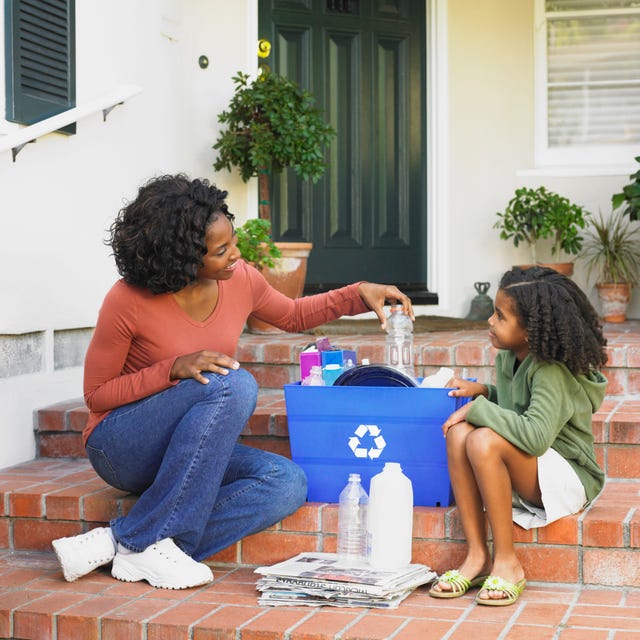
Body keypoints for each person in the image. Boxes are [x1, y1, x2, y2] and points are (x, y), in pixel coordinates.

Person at [52, 174, 414, 590]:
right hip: (121, 446)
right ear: (183, 259)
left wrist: (358, 293)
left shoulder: (239, 278)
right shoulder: (127, 300)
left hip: (187, 450)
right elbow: (97, 396)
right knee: (233, 383)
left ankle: (127, 542)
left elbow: (293, 315)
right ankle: (140, 543)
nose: (236, 255)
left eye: (234, 241)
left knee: (285, 483)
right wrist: (171, 369)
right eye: (221, 250)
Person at [429, 266, 607, 606]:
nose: (490, 322)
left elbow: (536, 435)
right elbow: (518, 406)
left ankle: (507, 562)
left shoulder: (550, 369)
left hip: (569, 476)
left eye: (500, 316)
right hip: (534, 466)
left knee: (482, 439)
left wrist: (480, 407)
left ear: (530, 330)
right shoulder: (511, 355)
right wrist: (484, 391)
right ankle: (477, 556)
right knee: (458, 433)